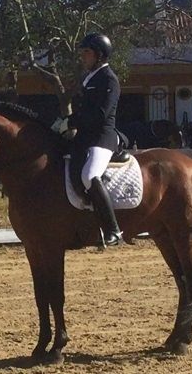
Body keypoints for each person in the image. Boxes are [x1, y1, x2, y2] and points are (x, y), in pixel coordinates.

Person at [67, 33, 123, 246]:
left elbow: (100, 114)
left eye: (87, 53)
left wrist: (73, 123)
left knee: (90, 175)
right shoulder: (88, 79)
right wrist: (65, 121)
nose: (83, 57)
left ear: (99, 55)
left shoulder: (109, 80)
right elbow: (82, 110)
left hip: (102, 138)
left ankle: (113, 229)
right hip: (84, 137)